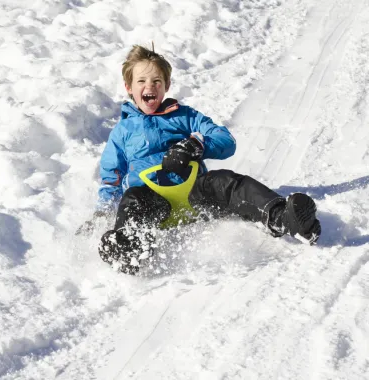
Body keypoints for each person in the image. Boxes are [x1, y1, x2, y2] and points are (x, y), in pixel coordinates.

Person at [94, 44, 321, 274]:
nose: (149, 86)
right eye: (141, 81)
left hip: (194, 190)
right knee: (133, 199)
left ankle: (283, 217)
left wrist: (196, 145)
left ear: (167, 86)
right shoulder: (122, 132)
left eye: (156, 81)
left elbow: (225, 140)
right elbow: (111, 176)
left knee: (227, 182)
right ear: (129, 88)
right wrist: (103, 212)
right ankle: (130, 249)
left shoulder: (184, 116)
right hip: (152, 199)